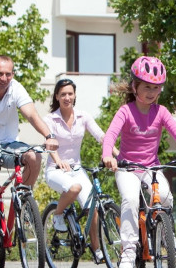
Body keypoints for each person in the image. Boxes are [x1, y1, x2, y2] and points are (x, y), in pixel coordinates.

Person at [101, 56, 176, 268]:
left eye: (156, 88)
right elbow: (110, 135)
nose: (151, 92)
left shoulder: (161, 112)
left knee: (164, 196)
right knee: (130, 199)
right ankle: (129, 251)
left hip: (151, 167)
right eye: (147, 86)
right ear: (134, 86)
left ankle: (166, 234)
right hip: (127, 168)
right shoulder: (126, 111)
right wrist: (107, 156)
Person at [0, 55, 59, 268]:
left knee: (34, 156)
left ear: (12, 74)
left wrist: (48, 135)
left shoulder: (16, 88)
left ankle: (24, 203)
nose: (4, 78)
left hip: (8, 144)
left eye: (8, 74)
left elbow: (32, 115)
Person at [42, 78, 106, 262]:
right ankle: (58, 214)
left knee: (92, 207)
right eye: (63, 94)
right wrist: (59, 160)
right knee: (74, 188)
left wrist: (116, 153)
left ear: (75, 95)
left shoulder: (83, 116)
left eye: (70, 93)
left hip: (77, 170)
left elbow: (100, 135)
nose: (67, 97)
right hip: (56, 170)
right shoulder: (50, 119)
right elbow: (49, 143)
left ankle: (96, 250)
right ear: (57, 96)